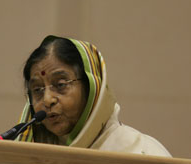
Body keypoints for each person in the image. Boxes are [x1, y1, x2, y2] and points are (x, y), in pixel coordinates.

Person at [15, 35, 171, 157]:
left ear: (92, 89)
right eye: (37, 89)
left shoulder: (141, 153)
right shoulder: (27, 159)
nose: (47, 100)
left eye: (61, 85)